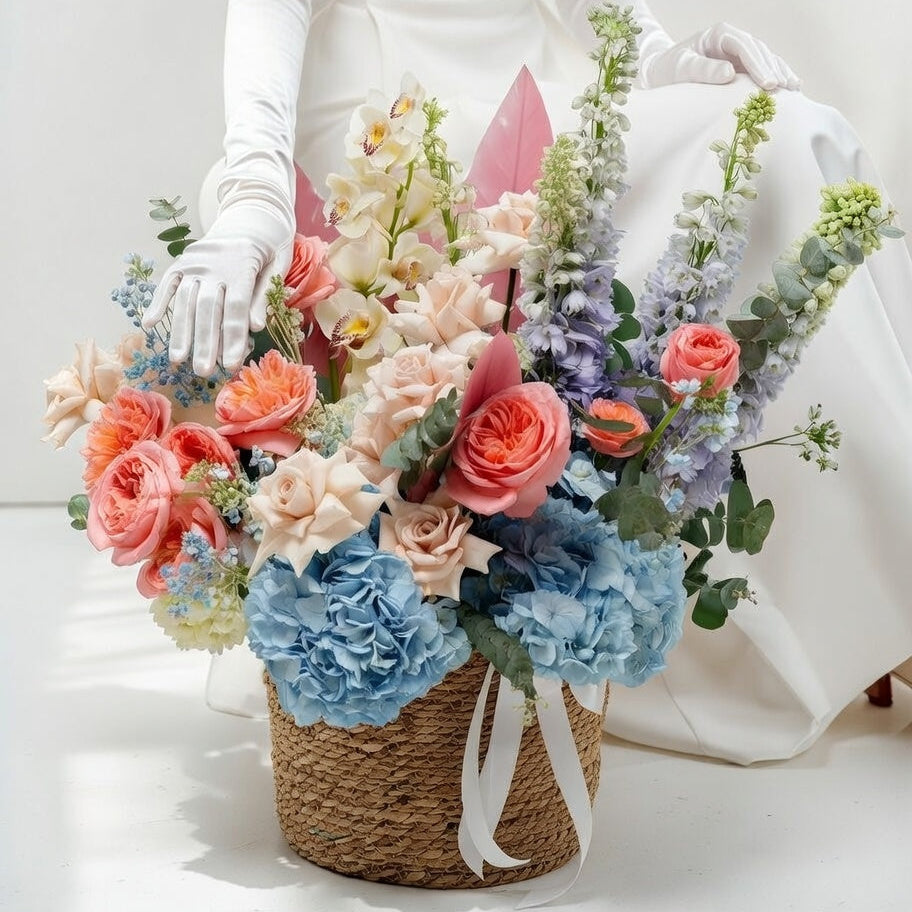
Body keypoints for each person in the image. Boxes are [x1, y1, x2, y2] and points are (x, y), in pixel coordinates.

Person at [145, 0, 912, 764]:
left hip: (546, 87)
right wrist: (255, 190)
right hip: (394, 116)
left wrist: (652, 57)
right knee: (777, 148)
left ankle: (874, 584)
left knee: (793, 133)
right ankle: (873, 606)